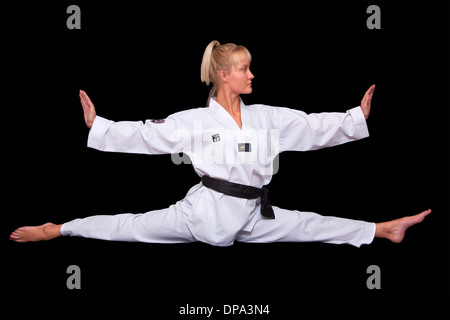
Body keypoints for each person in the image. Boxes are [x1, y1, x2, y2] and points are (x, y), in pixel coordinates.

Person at [10, 40, 431, 246]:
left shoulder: (266, 117)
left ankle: (382, 229)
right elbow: (146, 133)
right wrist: (99, 125)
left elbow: (311, 126)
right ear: (224, 75)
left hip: (251, 212)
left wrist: (354, 117)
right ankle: (57, 229)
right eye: (245, 70)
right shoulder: (195, 121)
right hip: (204, 213)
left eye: (251, 69)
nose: (252, 76)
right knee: (131, 227)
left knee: (308, 224)